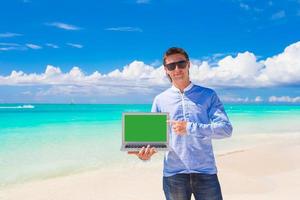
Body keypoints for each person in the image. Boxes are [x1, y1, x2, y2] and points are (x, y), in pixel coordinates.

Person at [128, 47, 233, 200]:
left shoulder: (208, 95)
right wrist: (145, 155)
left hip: (206, 173)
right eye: (171, 66)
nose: (177, 69)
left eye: (181, 64)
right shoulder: (160, 100)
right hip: (174, 175)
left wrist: (189, 127)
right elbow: (155, 141)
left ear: (188, 65)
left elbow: (225, 129)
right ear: (166, 70)